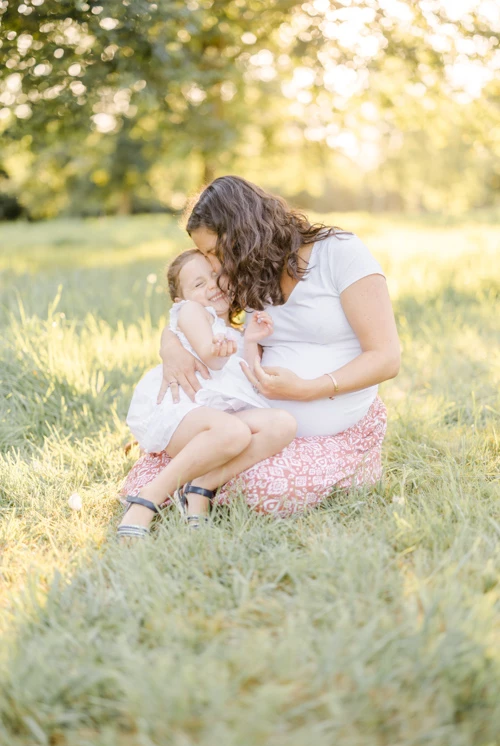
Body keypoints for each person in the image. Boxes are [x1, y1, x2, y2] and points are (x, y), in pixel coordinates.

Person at [122, 175, 400, 516]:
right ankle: (193, 483)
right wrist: (171, 346)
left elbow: (387, 358)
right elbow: (204, 317)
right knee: (232, 467)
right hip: (261, 424)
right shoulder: (252, 272)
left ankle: (195, 484)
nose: (213, 265)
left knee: (262, 487)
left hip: (323, 420)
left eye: (214, 252)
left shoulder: (339, 252)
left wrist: (309, 389)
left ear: (241, 233)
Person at [117, 248, 297, 540]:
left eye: (215, 276)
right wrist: (216, 349)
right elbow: (209, 355)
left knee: (284, 423)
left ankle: (203, 485)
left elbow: (248, 376)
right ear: (181, 300)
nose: (212, 285)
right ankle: (148, 498)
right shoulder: (191, 312)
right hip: (182, 411)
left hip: (220, 424)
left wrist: (250, 341)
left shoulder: (233, 331)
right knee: (235, 431)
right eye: (199, 284)